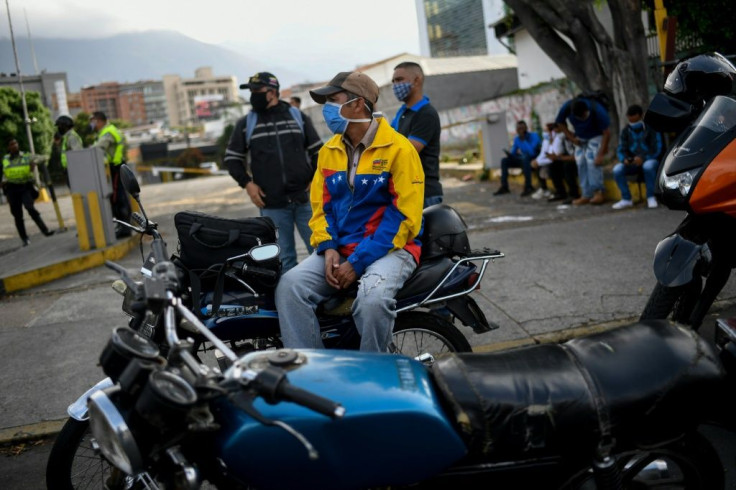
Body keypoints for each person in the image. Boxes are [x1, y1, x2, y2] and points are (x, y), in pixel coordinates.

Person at [275, 71, 424, 352]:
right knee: (290, 287)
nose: (327, 109)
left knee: (372, 300)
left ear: (358, 104)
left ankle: (374, 376)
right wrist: (328, 247)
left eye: (333, 100)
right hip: (341, 250)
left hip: (393, 250)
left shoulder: (400, 150)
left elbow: (404, 217)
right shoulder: (328, 151)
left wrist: (357, 262)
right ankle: (315, 373)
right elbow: (321, 207)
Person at [224, 72, 323, 272]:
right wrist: (248, 184)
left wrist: (316, 178)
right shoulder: (246, 123)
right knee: (283, 260)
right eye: (250, 91)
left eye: (256, 91)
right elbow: (232, 159)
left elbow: (318, 152)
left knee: (320, 251)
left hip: (306, 201)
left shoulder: (297, 117)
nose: (252, 95)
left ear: (272, 92)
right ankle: (291, 301)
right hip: (272, 205)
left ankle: (327, 299)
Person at [390, 61, 443, 207]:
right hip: (406, 192)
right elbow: (386, 140)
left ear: (417, 80)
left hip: (424, 194)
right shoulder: (402, 112)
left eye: (399, 80)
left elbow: (407, 152)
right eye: (393, 81)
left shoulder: (426, 114)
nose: (395, 85)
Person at [555, 96, 611, 205]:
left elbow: (606, 133)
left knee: (592, 161)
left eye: (585, 116)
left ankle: (598, 192)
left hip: (596, 135)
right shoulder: (567, 107)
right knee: (580, 163)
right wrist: (571, 138)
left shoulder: (597, 109)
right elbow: (560, 123)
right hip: (580, 137)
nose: (583, 118)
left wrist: (600, 154)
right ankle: (586, 194)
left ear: (587, 111)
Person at [2, 138, 55, 246]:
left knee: (30, 208)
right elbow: (3, 173)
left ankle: (45, 230)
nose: (15, 146)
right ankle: (24, 239)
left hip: (25, 187)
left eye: (16, 143)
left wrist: (34, 162)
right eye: (12, 144)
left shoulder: (26, 156)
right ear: (9, 147)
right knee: (17, 215)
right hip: (12, 189)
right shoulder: (5, 159)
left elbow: (43, 157)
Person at [612, 104, 663, 210]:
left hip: (650, 160)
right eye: (631, 121)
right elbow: (621, 149)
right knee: (617, 170)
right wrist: (624, 159)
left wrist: (643, 158)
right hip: (632, 163)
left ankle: (651, 196)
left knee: (648, 166)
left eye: (635, 120)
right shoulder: (625, 131)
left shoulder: (651, 128)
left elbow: (658, 148)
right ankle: (626, 199)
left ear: (641, 116)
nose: (633, 123)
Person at [90, 111, 132, 238]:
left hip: (116, 167)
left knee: (117, 198)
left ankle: (124, 228)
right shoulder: (110, 130)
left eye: (93, 121)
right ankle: (123, 226)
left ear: (99, 120)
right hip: (117, 166)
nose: (92, 124)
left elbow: (98, 148)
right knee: (119, 197)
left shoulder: (108, 132)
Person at [494, 120, 541, 196]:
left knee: (525, 158)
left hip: (533, 160)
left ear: (526, 128)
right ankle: (504, 187)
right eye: (519, 129)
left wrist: (524, 140)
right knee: (504, 160)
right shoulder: (517, 139)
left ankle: (528, 187)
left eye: (522, 128)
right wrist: (509, 155)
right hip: (522, 160)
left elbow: (532, 152)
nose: (520, 130)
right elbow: (513, 152)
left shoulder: (534, 136)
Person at [546, 128, 580, 203]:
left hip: (579, 161)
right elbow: (557, 153)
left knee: (567, 166)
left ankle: (574, 194)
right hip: (569, 160)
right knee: (553, 165)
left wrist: (559, 157)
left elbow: (576, 157)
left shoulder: (576, 138)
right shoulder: (561, 138)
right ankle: (560, 192)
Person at [530, 123, 556, 200]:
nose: (544, 133)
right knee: (536, 165)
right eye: (544, 131)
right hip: (547, 161)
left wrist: (539, 162)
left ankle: (557, 191)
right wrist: (537, 161)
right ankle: (543, 188)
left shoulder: (555, 141)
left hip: (554, 162)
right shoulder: (545, 141)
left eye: (546, 131)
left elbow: (552, 158)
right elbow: (542, 154)